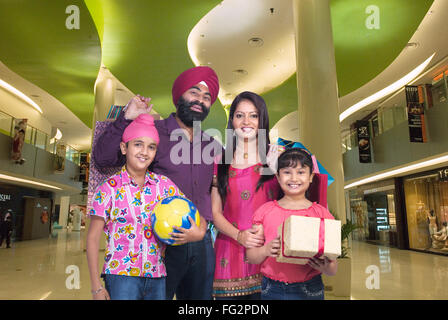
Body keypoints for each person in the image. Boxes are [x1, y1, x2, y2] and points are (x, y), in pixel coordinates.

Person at [93, 66, 222, 300]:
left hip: (201, 241)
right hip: (158, 243)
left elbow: (229, 185)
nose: (199, 101)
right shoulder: (154, 134)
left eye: (206, 97)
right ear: (179, 96)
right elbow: (103, 159)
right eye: (194, 93)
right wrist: (126, 118)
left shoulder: (213, 146)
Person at [86, 114, 188, 300]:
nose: (144, 152)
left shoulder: (164, 185)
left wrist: (191, 232)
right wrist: (96, 287)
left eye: (151, 147)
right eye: (138, 144)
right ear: (124, 148)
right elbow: (92, 238)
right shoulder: (109, 188)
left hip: (157, 274)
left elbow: (187, 215)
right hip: (121, 276)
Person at [211, 91, 279, 299]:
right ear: (232, 120)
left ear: (262, 120)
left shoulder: (275, 156)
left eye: (253, 115)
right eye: (240, 115)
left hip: (268, 250)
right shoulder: (219, 161)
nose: (246, 121)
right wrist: (239, 235)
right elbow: (215, 212)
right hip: (228, 251)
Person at [246, 148, 338, 300]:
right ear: (278, 176)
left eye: (301, 172)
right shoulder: (264, 212)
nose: (294, 178)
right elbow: (251, 257)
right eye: (287, 172)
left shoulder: (322, 215)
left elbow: (333, 268)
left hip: (309, 288)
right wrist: (265, 250)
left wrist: (326, 267)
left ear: (311, 177)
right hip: (272, 288)